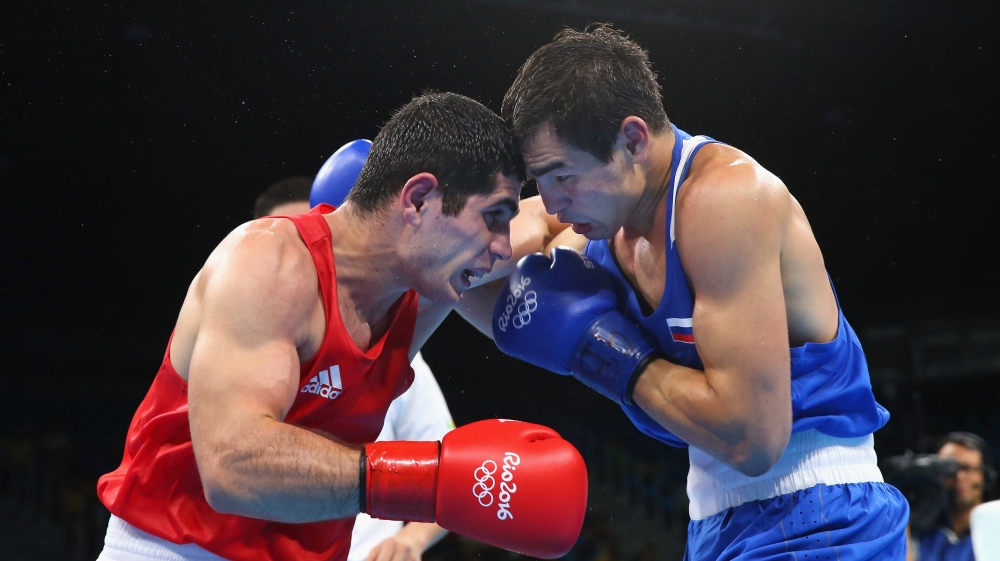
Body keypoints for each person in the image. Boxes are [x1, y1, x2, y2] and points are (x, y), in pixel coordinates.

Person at [95, 91, 587, 561]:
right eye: (493, 217)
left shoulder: (426, 281)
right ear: (418, 200)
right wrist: (430, 483)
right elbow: (232, 467)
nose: (502, 246)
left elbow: (559, 219)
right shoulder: (270, 264)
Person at [491, 25, 909, 559]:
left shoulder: (723, 200)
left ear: (633, 140)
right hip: (712, 522)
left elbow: (752, 441)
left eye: (562, 176)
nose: (552, 202)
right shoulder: (605, 218)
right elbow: (496, 246)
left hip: (822, 514)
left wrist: (607, 352)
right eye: (541, 182)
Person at [261, 142, 455, 561]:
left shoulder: (399, 351)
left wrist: (410, 541)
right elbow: (228, 467)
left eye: (310, 231)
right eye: (282, 236)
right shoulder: (235, 339)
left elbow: (449, 474)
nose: (298, 249)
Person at [912, 432, 995, 561]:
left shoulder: (994, 532)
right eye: (949, 469)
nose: (959, 477)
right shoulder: (922, 539)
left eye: (967, 468)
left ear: (985, 475)